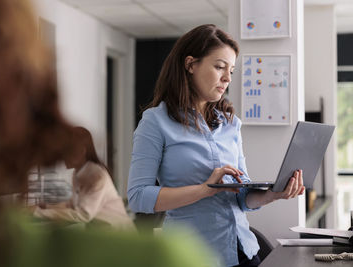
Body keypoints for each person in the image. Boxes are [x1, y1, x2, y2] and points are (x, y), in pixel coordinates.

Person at [0, 1, 218, 266]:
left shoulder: (96, 177)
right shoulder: (80, 175)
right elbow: (69, 206)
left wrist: (36, 210)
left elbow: (82, 213)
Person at [127, 24, 305, 267]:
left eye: (231, 70)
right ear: (190, 65)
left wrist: (272, 195)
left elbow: (242, 197)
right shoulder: (155, 122)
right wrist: (205, 189)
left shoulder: (231, 124)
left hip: (245, 253)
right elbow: (138, 197)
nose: (227, 78)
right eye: (220, 67)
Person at [34, 126, 135, 230]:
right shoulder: (79, 173)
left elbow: (84, 214)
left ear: (81, 151)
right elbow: (73, 204)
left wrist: (38, 213)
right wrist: (46, 206)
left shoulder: (97, 176)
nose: (62, 156)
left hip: (119, 235)